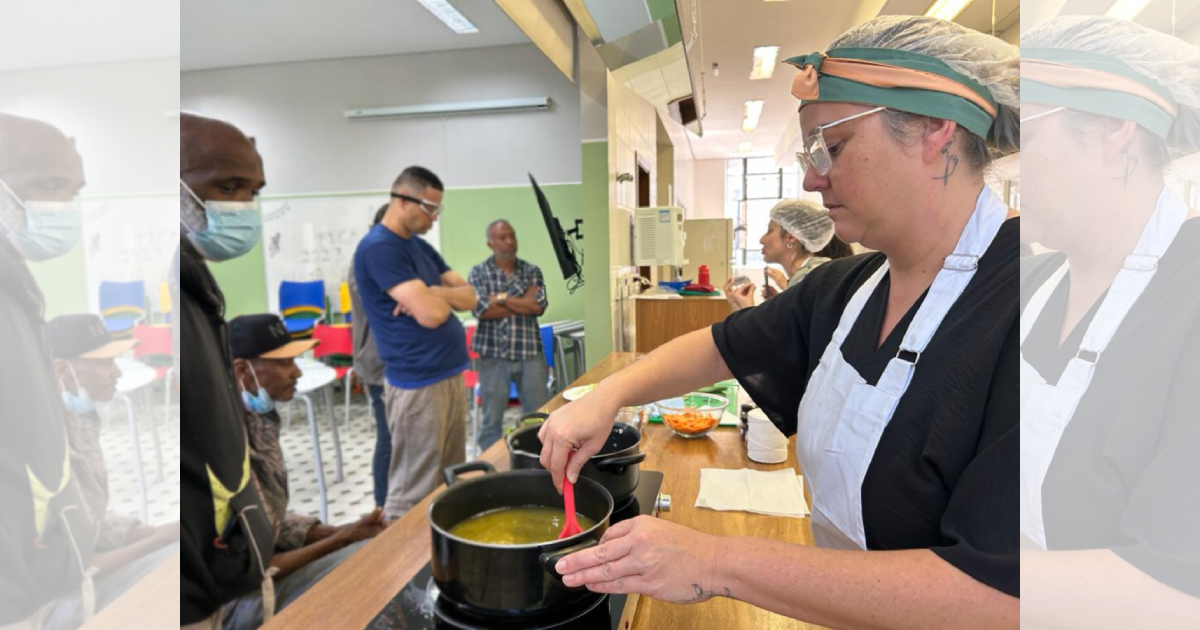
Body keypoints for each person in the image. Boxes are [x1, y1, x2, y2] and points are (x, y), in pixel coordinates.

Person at [538, 15, 1020, 628]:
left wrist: (715, 562)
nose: (811, 176)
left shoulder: (1038, 305)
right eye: (809, 152)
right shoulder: (848, 288)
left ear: (933, 130)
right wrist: (608, 395)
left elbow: (1004, 597)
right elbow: (720, 344)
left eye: (831, 147)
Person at [1019, 17, 1200, 626]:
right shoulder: (1037, 286)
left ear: (1115, 130)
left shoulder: (1189, 296)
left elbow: (1178, 592)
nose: (1010, 169)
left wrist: (945, 577)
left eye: (1025, 134)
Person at [222, 314, 387, 628]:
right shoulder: (223, 448)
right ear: (242, 370)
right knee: (364, 564)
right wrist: (343, 539)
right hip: (235, 604)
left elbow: (267, 522)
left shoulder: (258, 420)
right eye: (284, 362)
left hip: (258, 573)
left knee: (366, 546)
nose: (297, 370)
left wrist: (345, 530)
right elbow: (253, 568)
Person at [0, 113, 99, 628]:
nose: (62, 207)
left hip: (41, 569)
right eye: (47, 185)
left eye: (72, 190)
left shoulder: (15, 279)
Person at [180, 112, 277, 629]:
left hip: (221, 568)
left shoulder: (198, 286)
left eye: (253, 191)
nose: (244, 208)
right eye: (229, 186)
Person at [38, 314, 179, 629]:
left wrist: (153, 531)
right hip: (53, 603)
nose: (116, 371)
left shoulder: (77, 422)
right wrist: (158, 541)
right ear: (62, 370)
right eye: (104, 363)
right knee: (185, 573)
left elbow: (86, 520)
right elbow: (71, 568)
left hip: (76, 576)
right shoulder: (42, 446)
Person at [352, 166, 477, 521]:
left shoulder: (419, 248)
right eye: (430, 209)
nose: (435, 219)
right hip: (417, 383)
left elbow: (470, 297)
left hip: (449, 374)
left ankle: (438, 560)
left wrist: (433, 291)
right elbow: (432, 316)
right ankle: (402, 571)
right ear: (403, 199)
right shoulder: (379, 248)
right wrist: (436, 300)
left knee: (448, 479)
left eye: (439, 210)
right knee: (412, 492)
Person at [467, 219, 550, 451]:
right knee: (491, 421)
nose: (509, 242)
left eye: (512, 235)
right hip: (493, 355)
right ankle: (490, 470)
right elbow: (482, 309)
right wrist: (522, 300)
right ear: (490, 244)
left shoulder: (532, 271)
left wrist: (501, 298)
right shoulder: (478, 273)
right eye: (502, 237)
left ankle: (539, 461)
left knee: (539, 416)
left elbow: (538, 306)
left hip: (529, 353)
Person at [724, 199, 846, 310]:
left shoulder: (814, 278)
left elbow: (785, 333)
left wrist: (746, 308)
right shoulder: (804, 277)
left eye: (769, 231)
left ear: (791, 238)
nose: (762, 240)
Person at [348, 204, 390, 509]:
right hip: (379, 364)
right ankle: (381, 505)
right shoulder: (366, 261)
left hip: (404, 364)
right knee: (390, 439)